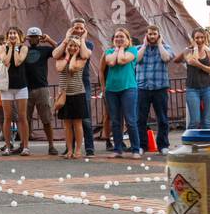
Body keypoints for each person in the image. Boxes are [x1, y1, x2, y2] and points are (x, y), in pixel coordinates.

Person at [56, 20, 97, 156]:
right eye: (76, 28)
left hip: (81, 85)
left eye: (81, 28)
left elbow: (83, 57)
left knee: (83, 119)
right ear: (71, 29)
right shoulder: (64, 44)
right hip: (65, 90)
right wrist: (67, 41)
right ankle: (70, 148)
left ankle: (87, 148)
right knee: (67, 122)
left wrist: (82, 40)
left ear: (84, 29)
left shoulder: (87, 44)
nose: (79, 30)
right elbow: (56, 57)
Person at [102, 27, 142, 158]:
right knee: (115, 120)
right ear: (113, 40)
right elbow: (111, 62)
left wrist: (120, 49)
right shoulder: (108, 51)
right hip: (112, 89)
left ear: (128, 39)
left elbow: (121, 60)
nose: (119, 39)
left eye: (122, 37)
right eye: (116, 37)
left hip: (128, 88)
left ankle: (136, 149)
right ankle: (118, 149)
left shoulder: (133, 50)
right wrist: (118, 49)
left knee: (130, 120)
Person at [134, 25, 174, 153]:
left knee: (162, 118)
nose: (152, 36)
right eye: (150, 34)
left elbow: (166, 58)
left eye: (154, 34)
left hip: (160, 88)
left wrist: (160, 44)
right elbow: (136, 60)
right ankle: (142, 145)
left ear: (158, 35)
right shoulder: (138, 48)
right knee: (140, 118)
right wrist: (144, 45)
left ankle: (163, 145)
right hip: (142, 88)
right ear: (146, 35)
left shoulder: (166, 48)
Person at [23, 27, 58, 155]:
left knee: (46, 118)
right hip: (25, 89)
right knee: (24, 119)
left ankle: (51, 145)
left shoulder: (44, 50)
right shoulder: (22, 50)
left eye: (35, 36)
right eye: (31, 37)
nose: (33, 39)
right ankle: (24, 146)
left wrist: (49, 40)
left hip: (42, 88)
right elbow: (12, 52)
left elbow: (59, 50)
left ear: (39, 38)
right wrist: (21, 41)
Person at [177, 29, 210, 130]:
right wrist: (194, 47)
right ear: (193, 39)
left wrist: (199, 65)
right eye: (197, 38)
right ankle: (190, 144)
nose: (200, 40)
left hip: (207, 88)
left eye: (202, 37)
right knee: (195, 121)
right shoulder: (188, 51)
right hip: (192, 89)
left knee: (206, 121)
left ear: (206, 39)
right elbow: (190, 59)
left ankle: (204, 144)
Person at [0, 27, 30, 156]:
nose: (12, 35)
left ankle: (25, 146)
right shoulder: (3, 48)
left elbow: (17, 62)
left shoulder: (24, 48)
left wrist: (15, 47)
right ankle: (8, 146)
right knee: (7, 117)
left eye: (14, 33)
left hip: (21, 86)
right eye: (10, 33)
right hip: (6, 87)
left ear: (19, 35)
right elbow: (5, 61)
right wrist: (9, 48)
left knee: (22, 116)